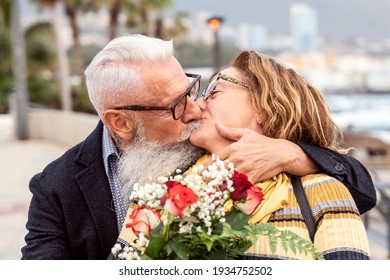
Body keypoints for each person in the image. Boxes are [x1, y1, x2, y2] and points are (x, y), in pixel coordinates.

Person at [21, 35, 374, 260]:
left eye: (198, 89)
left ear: (266, 111)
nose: (195, 107)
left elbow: (356, 185)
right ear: (121, 122)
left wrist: (292, 153)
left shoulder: (312, 182)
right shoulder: (58, 187)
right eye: (177, 102)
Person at [189, 50, 371, 259]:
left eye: (213, 92)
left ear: (263, 109)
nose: (198, 103)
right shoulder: (175, 181)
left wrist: (293, 153)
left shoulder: (321, 193)